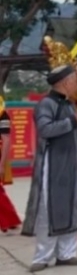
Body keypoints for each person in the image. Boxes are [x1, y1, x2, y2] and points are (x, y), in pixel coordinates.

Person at [23, 49, 77, 272]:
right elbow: (46, 130)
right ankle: (42, 256)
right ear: (66, 82)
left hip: (72, 166)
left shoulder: (68, 104)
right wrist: (74, 119)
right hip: (54, 165)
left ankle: (67, 253)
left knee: (72, 205)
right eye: (75, 80)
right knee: (50, 209)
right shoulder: (47, 105)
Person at [0, 97, 22, 233]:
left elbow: (6, 140)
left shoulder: (3, 115)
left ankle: (9, 221)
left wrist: (2, 163)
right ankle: (9, 221)